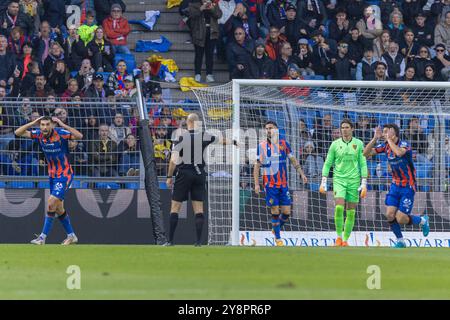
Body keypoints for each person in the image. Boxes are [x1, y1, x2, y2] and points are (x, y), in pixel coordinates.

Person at [165, 113, 235, 246]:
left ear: (187, 122)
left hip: (184, 174)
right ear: (197, 123)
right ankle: (198, 242)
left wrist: (169, 176)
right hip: (199, 175)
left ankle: (170, 241)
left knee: (175, 207)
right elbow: (222, 140)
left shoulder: (180, 138)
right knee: (199, 209)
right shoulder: (204, 136)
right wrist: (235, 142)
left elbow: (173, 160)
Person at [14, 116, 83, 245]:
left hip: (64, 174)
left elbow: (79, 136)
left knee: (51, 202)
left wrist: (63, 124)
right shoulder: (39, 134)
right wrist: (33, 123)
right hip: (52, 175)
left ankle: (42, 238)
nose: (44, 127)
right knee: (58, 208)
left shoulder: (61, 134)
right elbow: (18, 133)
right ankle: (72, 235)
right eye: (42, 125)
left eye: (47, 125)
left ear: (52, 125)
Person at [364, 124, 430, 248]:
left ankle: (422, 221)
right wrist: (374, 139)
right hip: (395, 185)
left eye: (386, 132)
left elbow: (399, 153)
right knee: (389, 214)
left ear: (394, 134)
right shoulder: (385, 146)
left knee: (400, 218)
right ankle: (400, 241)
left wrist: (388, 140)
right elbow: (365, 153)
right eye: (383, 132)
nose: (384, 134)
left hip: (408, 186)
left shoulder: (404, 144)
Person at [253, 120, 308, 246]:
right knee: (275, 210)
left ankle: (275, 228)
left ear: (277, 130)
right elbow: (256, 166)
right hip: (270, 185)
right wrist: (256, 184)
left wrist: (301, 173)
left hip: (283, 184)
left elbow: (293, 160)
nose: (268, 130)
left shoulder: (284, 144)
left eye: (271, 128)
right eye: (266, 128)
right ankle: (278, 238)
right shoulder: (261, 146)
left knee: (287, 212)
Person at [319, 119, 368, 247]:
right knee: (339, 207)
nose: (344, 130)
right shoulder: (335, 144)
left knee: (351, 211)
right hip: (339, 180)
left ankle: (345, 240)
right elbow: (328, 163)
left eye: (346, 127)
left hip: (354, 180)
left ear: (352, 129)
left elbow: (363, 163)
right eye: (342, 128)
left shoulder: (359, 143)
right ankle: (339, 238)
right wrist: (323, 181)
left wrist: (364, 182)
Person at [188, 0, 222, 83]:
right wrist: (201, 9)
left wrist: (212, 9)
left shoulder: (214, 4)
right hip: (199, 33)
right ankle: (197, 74)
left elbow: (219, 15)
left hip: (212, 32)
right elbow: (191, 15)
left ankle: (209, 74)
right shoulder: (194, 4)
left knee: (209, 54)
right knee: (199, 54)